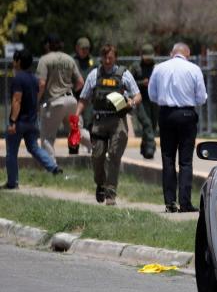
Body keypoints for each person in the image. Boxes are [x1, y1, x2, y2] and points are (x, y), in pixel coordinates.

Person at [75, 44, 141, 205]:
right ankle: (100, 184)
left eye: (110, 57)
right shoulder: (94, 75)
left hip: (117, 121)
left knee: (114, 156)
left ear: (115, 57)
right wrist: (76, 115)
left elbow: (137, 95)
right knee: (97, 156)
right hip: (99, 121)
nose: (107, 60)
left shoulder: (123, 74)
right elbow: (84, 98)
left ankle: (111, 194)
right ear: (101, 58)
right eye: (105, 57)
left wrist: (131, 102)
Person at [148, 42, 208, 213]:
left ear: (171, 53)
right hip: (187, 115)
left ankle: (170, 203)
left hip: (166, 115)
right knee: (185, 161)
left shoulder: (159, 68)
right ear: (187, 54)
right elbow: (201, 98)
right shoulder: (194, 69)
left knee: (167, 159)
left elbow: (152, 95)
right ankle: (185, 202)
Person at [5, 49, 62, 189]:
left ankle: (13, 183)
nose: (13, 62)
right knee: (34, 148)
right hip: (32, 121)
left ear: (18, 61)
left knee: (11, 152)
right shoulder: (34, 79)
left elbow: (17, 100)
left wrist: (12, 121)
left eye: (14, 59)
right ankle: (53, 167)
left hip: (19, 122)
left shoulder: (18, 79)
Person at [37, 33, 90, 156]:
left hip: (54, 101)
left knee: (47, 138)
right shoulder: (69, 59)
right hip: (71, 100)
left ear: (47, 45)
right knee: (77, 131)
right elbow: (81, 82)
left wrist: (36, 101)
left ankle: (51, 167)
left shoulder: (45, 60)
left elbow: (41, 84)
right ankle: (96, 146)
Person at [130, 42, 159, 159]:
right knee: (147, 124)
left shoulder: (157, 67)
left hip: (154, 101)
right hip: (140, 100)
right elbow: (129, 83)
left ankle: (144, 148)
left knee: (152, 125)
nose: (147, 61)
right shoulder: (136, 67)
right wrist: (142, 83)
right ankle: (151, 148)